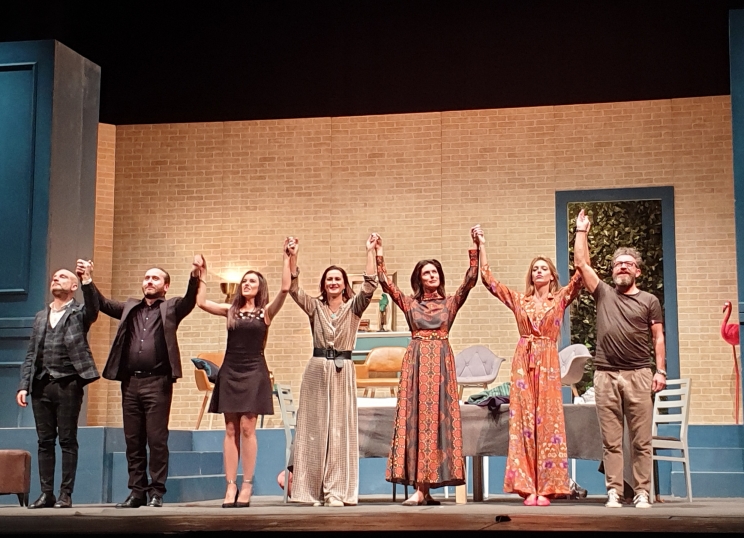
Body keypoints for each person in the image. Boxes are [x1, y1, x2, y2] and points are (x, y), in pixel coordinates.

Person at [475, 225, 582, 506]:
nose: (538, 272)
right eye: (535, 269)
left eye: (543, 268)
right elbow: (489, 281)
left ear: (552, 276)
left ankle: (547, 487)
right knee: (522, 422)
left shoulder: (560, 298)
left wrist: (581, 233)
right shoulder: (519, 300)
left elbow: (581, 276)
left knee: (548, 422)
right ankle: (527, 487)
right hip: (523, 360)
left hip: (547, 360)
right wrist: (481, 245)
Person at [374, 229, 479, 506]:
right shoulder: (411, 303)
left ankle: (426, 489)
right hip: (417, 361)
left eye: (434, 272)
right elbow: (386, 284)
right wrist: (378, 253)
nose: (431, 276)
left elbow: (470, 281)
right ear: (419, 279)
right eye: (426, 273)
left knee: (438, 422)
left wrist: (476, 247)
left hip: (441, 363)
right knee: (418, 420)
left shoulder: (450, 303)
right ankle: (421, 489)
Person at [573, 209, 666, 509]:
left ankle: (642, 491)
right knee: (611, 441)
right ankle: (613, 490)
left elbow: (658, 337)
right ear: (612, 271)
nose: (622, 267)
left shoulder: (649, 300)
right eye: (617, 264)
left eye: (628, 263)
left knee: (641, 440)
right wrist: (581, 230)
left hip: (639, 373)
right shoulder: (603, 294)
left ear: (638, 271)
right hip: (605, 375)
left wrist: (660, 371)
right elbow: (581, 264)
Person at [89, 263, 199, 508]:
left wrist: (195, 276)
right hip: (130, 382)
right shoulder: (130, 307)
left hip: (157, 382)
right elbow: (103, 304)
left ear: (165, 286)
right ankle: (137, 492)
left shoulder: (171, 308)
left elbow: (190, 300)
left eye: (155, 278)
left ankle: (157, 491)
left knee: (157, 439)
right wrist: (87, 280)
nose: (149, 281)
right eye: (147, 277)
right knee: (133, 440)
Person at [192, 244, 291, 508]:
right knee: (230, 428)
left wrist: (287, 259)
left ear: (260, 287)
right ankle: (230, 485)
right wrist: (202, 274)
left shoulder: (266, 312)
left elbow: (284, 289)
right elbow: (201, 302)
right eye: (245, 281)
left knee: (248, 427)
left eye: (252, 281)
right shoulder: (230, 310)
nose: (247, 284)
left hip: (254, 370)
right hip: (231, 370)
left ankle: (247, 484)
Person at [286, 234, 378, 507]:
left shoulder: (353, 308)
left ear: (344, 284)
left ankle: (336, 491)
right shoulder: (315, 307)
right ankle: (312, 491)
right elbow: (293, 289)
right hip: (316, 371)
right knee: (314, 430)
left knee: (339, 431)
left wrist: (370, 252)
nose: (333, 282)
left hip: (343, 370)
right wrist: (293, 256)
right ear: (324, 284)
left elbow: (370, 286)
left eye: (338, 279)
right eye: (329, 279)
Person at [16, 262, 100, 509]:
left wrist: (87, 280)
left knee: (67, 439)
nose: (56, 279)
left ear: (73, 286)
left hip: (68, 383)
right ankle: (46, 493)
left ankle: (65, 494)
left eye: (63, 277)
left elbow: (94, 308)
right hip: (41, 384)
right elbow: (32, 353)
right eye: (54, 277)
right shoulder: (40, 316)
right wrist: (24, 385)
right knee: (45, 441)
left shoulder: (79, 313)